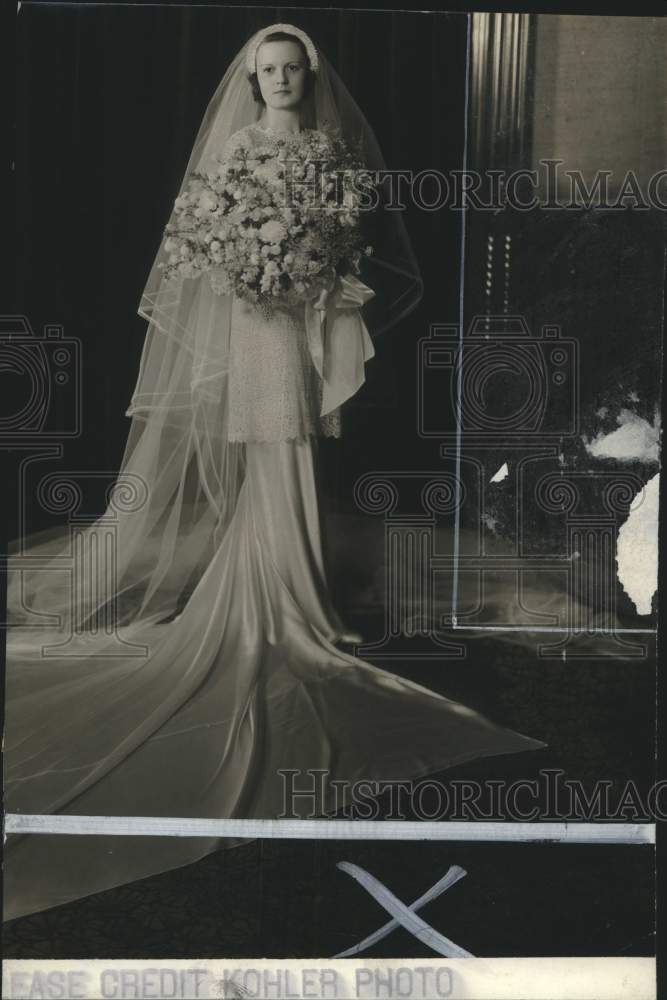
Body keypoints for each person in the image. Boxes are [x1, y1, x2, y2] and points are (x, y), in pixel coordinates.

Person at [3, 23, 544, 922]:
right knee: (267, 446)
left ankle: (298, 589)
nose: (283, 79)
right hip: (256, 322)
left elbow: (348, 241)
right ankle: (266, 592)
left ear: (309, 76)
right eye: (269, 69)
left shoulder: (326, 149)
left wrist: (312, 259)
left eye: (294, 69)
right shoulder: (238, 146)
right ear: (252, 79)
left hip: (303, 318)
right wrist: (249, 259)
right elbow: (201, 245)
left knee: (298, 451)